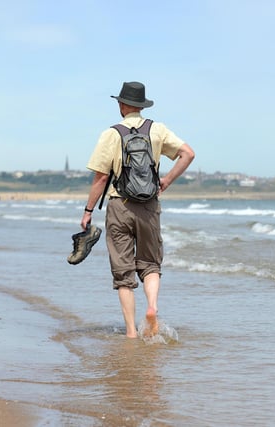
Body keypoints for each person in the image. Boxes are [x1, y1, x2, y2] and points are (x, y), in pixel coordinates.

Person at [80, 82, 195, 338]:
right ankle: (152, 307)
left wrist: (88, 211)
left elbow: (100, 178)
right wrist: (165, 181)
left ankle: (131, 332)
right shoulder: (157, 130)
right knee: (151, 264)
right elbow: (188, 154)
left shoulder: (111, 134)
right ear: (142, 106)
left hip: (119, 205)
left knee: (123, 272)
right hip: (149, 207)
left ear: (122, 105)